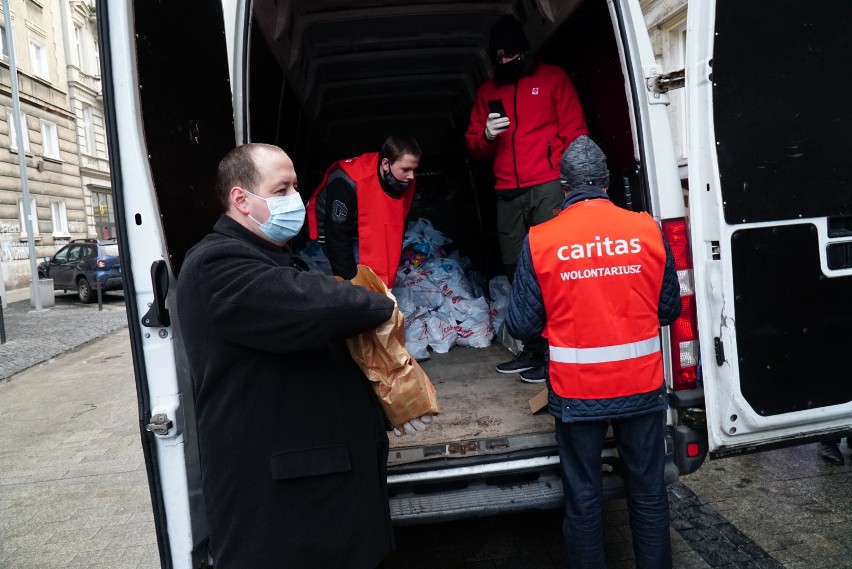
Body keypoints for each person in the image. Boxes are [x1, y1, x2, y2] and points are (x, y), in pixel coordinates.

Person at [177, 143, 421, 568]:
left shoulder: (272, 258)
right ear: (241, 199)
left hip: (315, 494)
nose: (296, 199)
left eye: (296, 187)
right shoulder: (216, 264)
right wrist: (381, 304)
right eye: (282, 188)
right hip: (288, 510)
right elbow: (316, 305)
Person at [506, 136, 682, 568]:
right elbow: (669, 309)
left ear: (564, 188)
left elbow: (520, 325)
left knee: (583, 499)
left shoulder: (541, 240)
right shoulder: (647, 229)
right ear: (605, 184)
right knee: (648, 494)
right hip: (641, 387)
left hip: (577, 393)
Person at [465, 14, 588, 382]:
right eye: (498, 57)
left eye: (510, 55)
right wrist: (486, 135)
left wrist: (568, 186)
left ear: (524, 50)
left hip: (548, 184)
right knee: (517, 273)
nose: (505, 63)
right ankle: (533, 351)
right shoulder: (488, 92)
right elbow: (474, 147)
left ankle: (558, 352)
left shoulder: (553, 78)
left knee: (554, 270)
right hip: (507, 191)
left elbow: (575, 133)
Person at [306, 134, 421, 287]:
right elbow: (337, 238)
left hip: (363, 224)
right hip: (334, 228)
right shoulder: (347, 182)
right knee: (359, 279)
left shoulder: (402, 181)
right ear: (386, 164)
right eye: (406, 169)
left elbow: (398, 223)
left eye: (414, 170)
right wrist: (352, 287)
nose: (411, 176)